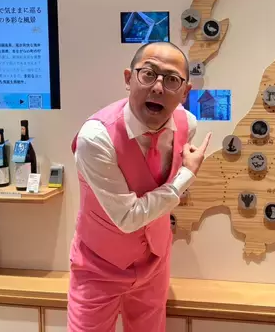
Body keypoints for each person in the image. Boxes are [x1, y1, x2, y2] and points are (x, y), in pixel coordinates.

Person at [68, 42, 212, 332]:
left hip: (155, 261)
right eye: (148, 74)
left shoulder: (187, 124)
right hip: (98, 265)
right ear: (128, 78)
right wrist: (186, 175)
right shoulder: (96, 138)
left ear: (185, 92)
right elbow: (128, 217)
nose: (158, 87)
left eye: (171, 79)